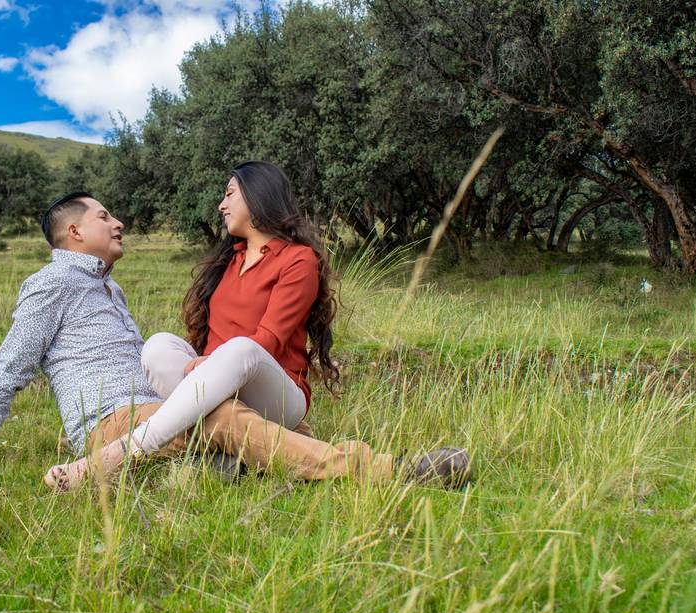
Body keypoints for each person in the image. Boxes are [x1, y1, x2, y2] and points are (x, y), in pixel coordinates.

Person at [44, 162, 471, 491]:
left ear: (257, 195)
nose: (221, 204)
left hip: (277, 389)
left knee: (242, 349)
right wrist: (206, 366)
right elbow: (206, 343)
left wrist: (210, 364)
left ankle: (123, 453)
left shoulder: (298, 259)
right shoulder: (225, 263)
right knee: (158, 346)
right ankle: (237, 457)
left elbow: (265, 341)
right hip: (222, 383)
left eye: (229, 194)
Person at [0, 192, 265, 473]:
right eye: (104, 217)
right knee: (223, 417)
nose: (118, 223)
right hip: (111, 420)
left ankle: (216, 467)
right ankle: (320, 467)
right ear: (75, 232)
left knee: (242, 410)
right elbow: (10, 367)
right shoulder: (51, 283)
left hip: (150, 412)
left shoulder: (109, 287)